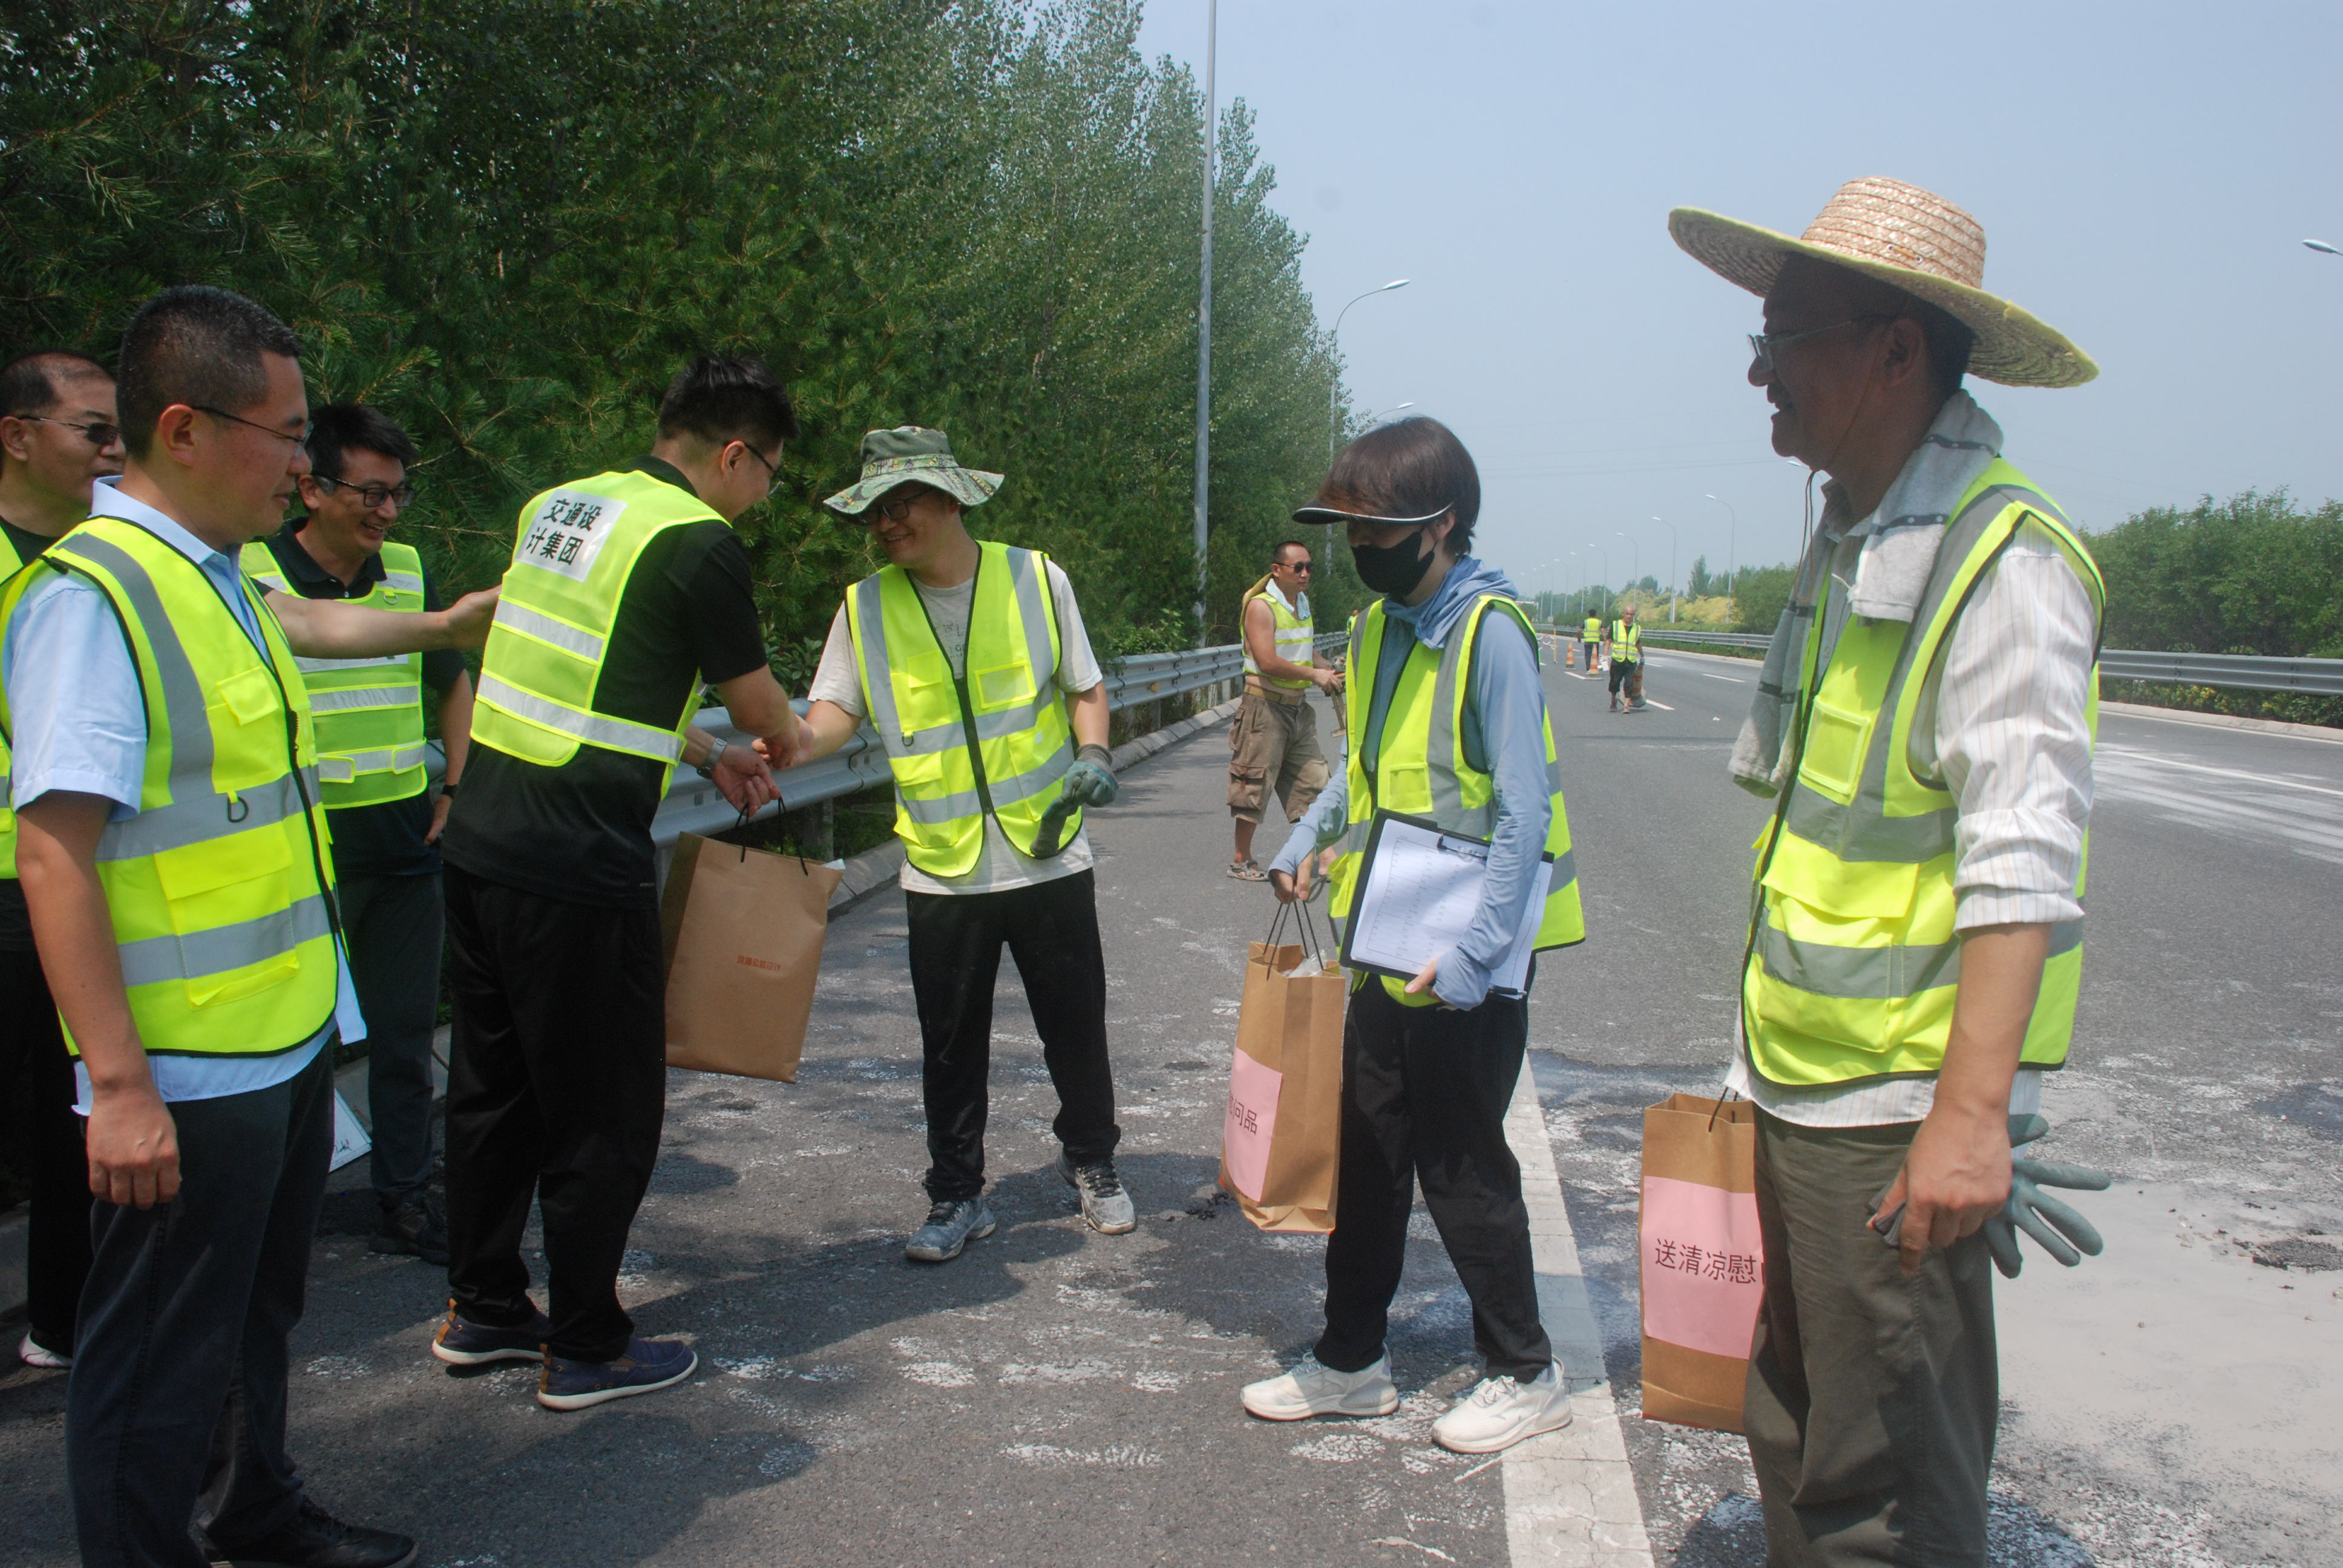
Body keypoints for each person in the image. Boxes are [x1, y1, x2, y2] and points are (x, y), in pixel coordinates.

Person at [1, 284, 497, 1568]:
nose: (303, 461)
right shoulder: (94, 597)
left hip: (276, 1042)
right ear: (183, 428)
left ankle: (256, 1516)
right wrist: (116, 1085)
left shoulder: (215, 579)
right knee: (154, 1363)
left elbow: (322, 627)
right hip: (184, 1064)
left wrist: (444, 626)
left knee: (256, 1318)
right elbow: (53, 854)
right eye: (283, 435)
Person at [1670, 175, 2103, 1563]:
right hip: (1805, 1087)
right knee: (1796, 1436)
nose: (1755, 373)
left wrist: (1968, 1117)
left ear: (1896, 348)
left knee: (1886, 1494)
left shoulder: (2001, 560)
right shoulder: (1856, 537)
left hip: (1890, 1112)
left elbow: (2020, 854)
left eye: (1785, 333)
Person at [431, 355, 807, 1411]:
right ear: (735, 454)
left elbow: (583, 673)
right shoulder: (700, 543)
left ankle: (486, 1307)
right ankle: (589, 1340)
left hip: (483, 841)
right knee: (604, 1105)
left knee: (491, 1089)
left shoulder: (561, 507)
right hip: (575, 863)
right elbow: (765, 704)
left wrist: (698, 754)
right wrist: (773, 734)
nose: (762, 495)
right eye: (768, 473)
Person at [1240, 417, 1587, 1455]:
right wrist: (1307, 835)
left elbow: (1523, 814)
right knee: (1368, 1149)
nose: (1356, 547)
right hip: (1387, 929)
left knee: (1459, 1158)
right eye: (1343, 529)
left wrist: (1478, 958)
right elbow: (1364, 767)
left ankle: (1525, 1369)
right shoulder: (1382, 626)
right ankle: (1352, 1359)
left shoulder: (1493, 634)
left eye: (1373, 529)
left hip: (1472, 946)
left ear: (1439, 526)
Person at [796, 426, 1132, 1264]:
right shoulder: (863, 607)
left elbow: (1085, 690)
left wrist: (1093, 754)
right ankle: (956, 1195)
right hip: (941, 865)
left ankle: (1092, 1162)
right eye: (872, 511)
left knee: (1075, 1024)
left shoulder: (1034, 576)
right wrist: (780, 742)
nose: (883, 523)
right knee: (948, 1043)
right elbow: (831, 715)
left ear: (949, 500)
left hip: (1047, 849)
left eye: (897, 504)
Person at [241, 403, 471, 1266]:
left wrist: (457, 781)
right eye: (371, 494)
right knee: (297, 1043)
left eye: (399, 495)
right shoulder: (253, 570)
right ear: (313, 485)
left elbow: (454, 680)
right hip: (304, 852)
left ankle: (406, 1195)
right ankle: (274, 1209)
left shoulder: (408, 572)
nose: (386, 513)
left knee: (407, 1034)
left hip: (405, 840)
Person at [0, 348, 121, 1371]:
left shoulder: (110, 558)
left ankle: (62, 1318)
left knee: (66, 1104)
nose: (113, 450)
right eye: (95, 430)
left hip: (71, 872)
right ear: (19, 433)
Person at [1226, 540, 1342, 880]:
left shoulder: (1301, 604)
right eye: (1298, 567)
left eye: (1309, 567)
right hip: (1264, 709)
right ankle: (1241, 859)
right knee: (1253, 783)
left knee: (1314, 783)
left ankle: (1327, 858)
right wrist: (1314, 675)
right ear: (1278, 570)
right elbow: (1267, 662)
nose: (1305, 573)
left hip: (1297, 710)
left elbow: (1305, 653)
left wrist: (1332, 668)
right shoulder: (1262, 607)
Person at [1607, 601, 1643, 711]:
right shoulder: (1616, 625)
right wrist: (1604, 655)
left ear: (1633, 615)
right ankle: (1613, 700)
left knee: (1629, 683)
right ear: (1623, 613)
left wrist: (1642, 656)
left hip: (1630, 661)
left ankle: (1626, 705)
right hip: (1618, 660)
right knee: (1614, 682)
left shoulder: (1637, 628)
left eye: (1631, 614)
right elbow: (1609, 640)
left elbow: (1637, 643)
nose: (1629, 616)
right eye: (1627, 614)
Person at [1580, 610, 1602, 675]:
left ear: (1589, 614)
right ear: (1595, 614)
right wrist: (1605, 640)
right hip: (1596, 642)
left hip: (1588, 641)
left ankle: (1588, 669)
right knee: (1595, 656)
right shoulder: (1599, 622)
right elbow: (1603, 631)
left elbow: (1579, 630)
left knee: (1588, 656)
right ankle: (1594, 668)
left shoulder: (1586, 622)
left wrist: (1579, 638)